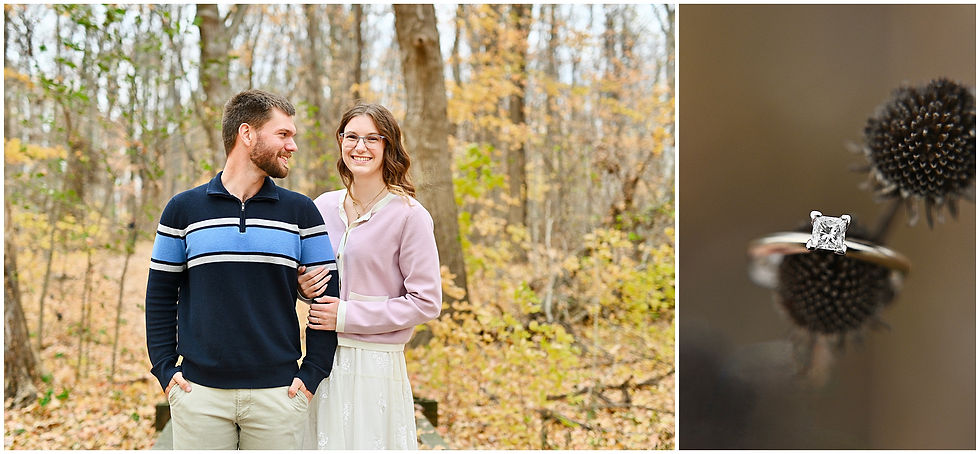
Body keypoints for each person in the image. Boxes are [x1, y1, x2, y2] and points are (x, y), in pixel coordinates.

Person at [144, 89, 340, 449]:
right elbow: (159, 296)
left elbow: (328, 299)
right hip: (199, 395)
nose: (292, 145)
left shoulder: (302, 213)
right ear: (247, 134)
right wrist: (165, 370)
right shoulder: (182, 210)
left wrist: (313, 373)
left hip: (279, 396)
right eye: (283, 134)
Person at [298, 103, 443, 449]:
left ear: (388, 146)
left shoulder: (410, 215)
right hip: (321, 360)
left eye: (371, 139)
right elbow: (310, 278)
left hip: (374, 365)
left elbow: (427, 302)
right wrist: (302, 286)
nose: (359, 147)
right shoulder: (320, 208)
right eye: (352, 137)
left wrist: (345, 315)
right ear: (340, 141)